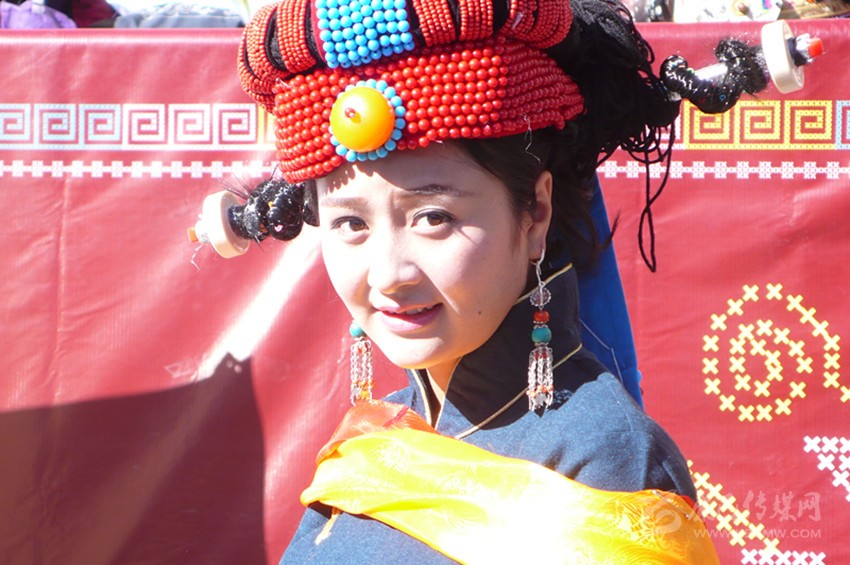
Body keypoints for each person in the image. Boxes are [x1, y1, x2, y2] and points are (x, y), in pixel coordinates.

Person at [191, 0, 814, 562]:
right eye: (351, 223)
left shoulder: (605, 465)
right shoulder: (378, 436)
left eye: (434, 218)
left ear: (535, 212)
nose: (388, 274)